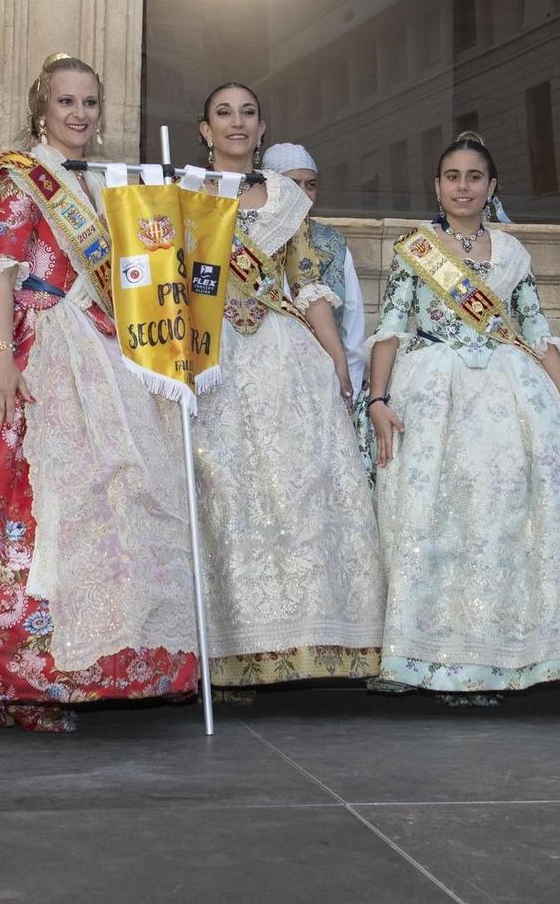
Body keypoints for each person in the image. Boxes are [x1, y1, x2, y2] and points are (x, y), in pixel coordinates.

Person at [0, 55, 200, 731]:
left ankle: (96, 668)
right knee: (12, 504)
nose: (79, 113)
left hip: (95, 346)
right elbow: (0, 269)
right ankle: (18, 679)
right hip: (29, 341)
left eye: (89, 101)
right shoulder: (18, 175)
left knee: (113, 498)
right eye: (66, 101)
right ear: (41, 109)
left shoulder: (101, 186)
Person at [363, 133, 560, 703]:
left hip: (511, 396)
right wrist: (378, 400)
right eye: (451, 176)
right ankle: (431, 657)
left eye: (474, 176)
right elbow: (392, 328)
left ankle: (509, 658)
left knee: (503, 524)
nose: (462, 186)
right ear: (437, 185)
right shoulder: (415, 250)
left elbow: (537, 334)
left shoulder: (512, 255)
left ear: (492, 186)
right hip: (434, 398)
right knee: (436, 522)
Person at [191, 83, 383, 689]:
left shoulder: (284, 201)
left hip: (283, 355)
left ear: (262, 127)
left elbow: (307, 285)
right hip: (214, 353)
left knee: (299, 492)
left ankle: (305, 642)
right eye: (224, 113)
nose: (236, 123)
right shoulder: (181, 195)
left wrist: (336, 363)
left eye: (247, 113)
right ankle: (225, 651)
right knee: (226, 496)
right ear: (204, 129)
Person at [262, 142, 366, 393]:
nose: (303, 194)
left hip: (323, 384)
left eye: (311, 185)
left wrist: (348, 390)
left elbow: (353, 331)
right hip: (265, 379)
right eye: (292, 183)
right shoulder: (251, 236)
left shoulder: (333, 244)